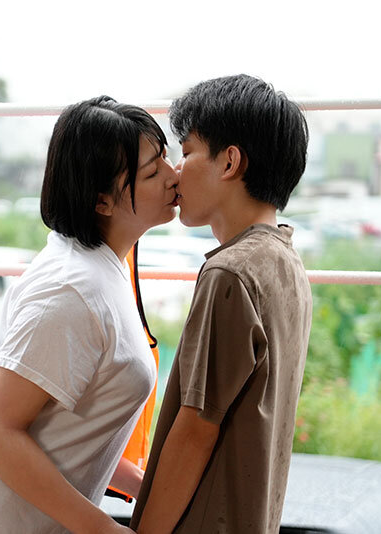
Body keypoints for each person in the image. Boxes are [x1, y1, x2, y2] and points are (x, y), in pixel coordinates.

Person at [0, 95, 179, 534]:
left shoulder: (99, 268)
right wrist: (104, 530)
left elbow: (70, 427)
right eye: (152, 171)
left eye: (165, 157)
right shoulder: (71, 290)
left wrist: (143, 486)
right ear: (102, 201)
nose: (172, 174)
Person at [130, 74, 313, 534]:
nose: (176, 171)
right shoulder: (284, 259)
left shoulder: (229, 273)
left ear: (229, 161)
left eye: (187, 151)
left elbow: (195, 431)